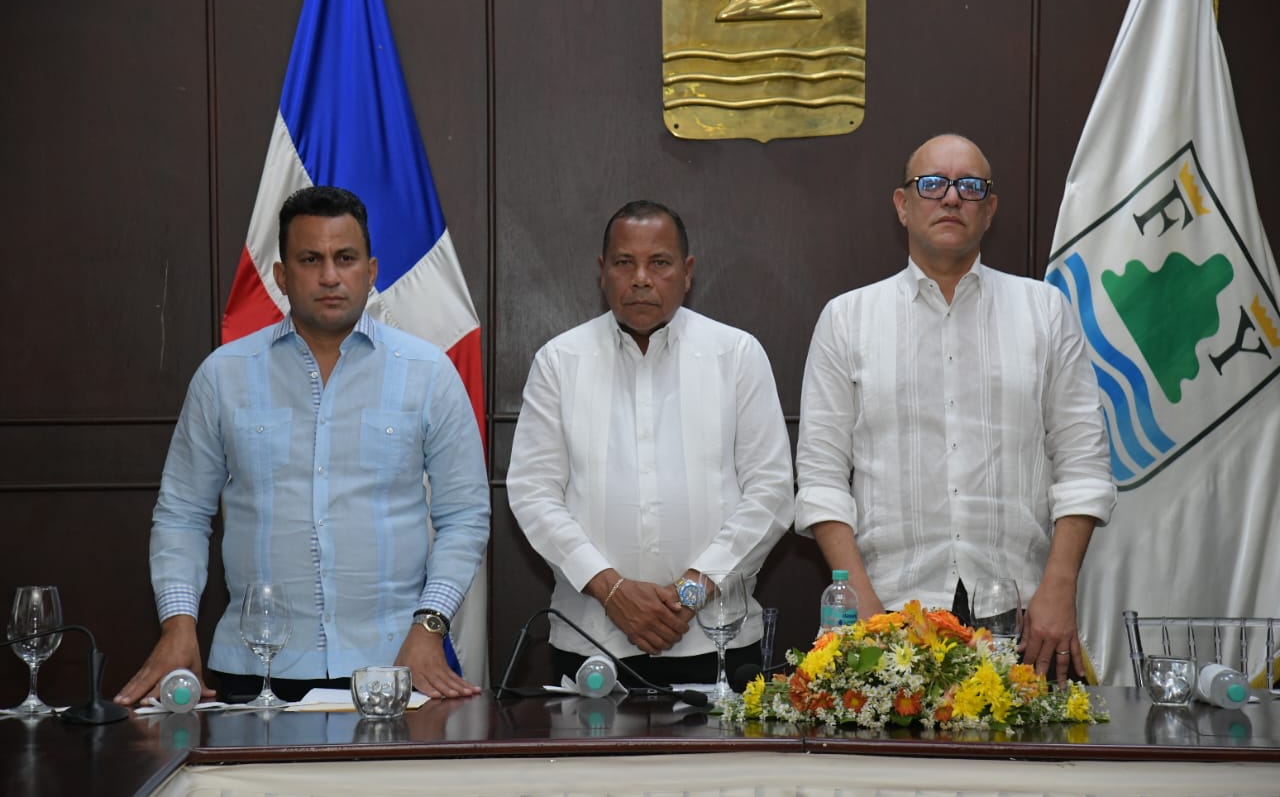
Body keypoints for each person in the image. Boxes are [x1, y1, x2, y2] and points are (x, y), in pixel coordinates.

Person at [115, 186, 489, 706]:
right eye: (311, 260)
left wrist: (430, 626)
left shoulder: (429, 373)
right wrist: (178, 624)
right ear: (281, 275)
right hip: (256, 669)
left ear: (371, 271)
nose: (330, 276)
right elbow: (182, 514)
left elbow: (465, 516)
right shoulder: (224, 375)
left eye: (346, 258)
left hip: (394, 665)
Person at [794, 134, 1116, 682]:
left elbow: (1083, 466)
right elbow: (821, 480)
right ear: (902, 205)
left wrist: (1059, 588)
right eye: (932, 184)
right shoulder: (847, 320)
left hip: (1024, 616)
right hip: (890, 612)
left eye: (970, 186)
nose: (950, 198)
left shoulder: (1045, 311)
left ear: (989, 210)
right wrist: (862, 604)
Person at [506, 200, 793, 687]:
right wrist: (612, 591)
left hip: (715, 639)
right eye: (625, 263)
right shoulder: (560, 361)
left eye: (659, 263)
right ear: (603, 272)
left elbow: (771, 493)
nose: (641, 278)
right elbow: (534, 494)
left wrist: (691, 592)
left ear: (687, 272)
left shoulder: (736, 355)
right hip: (592, 640)